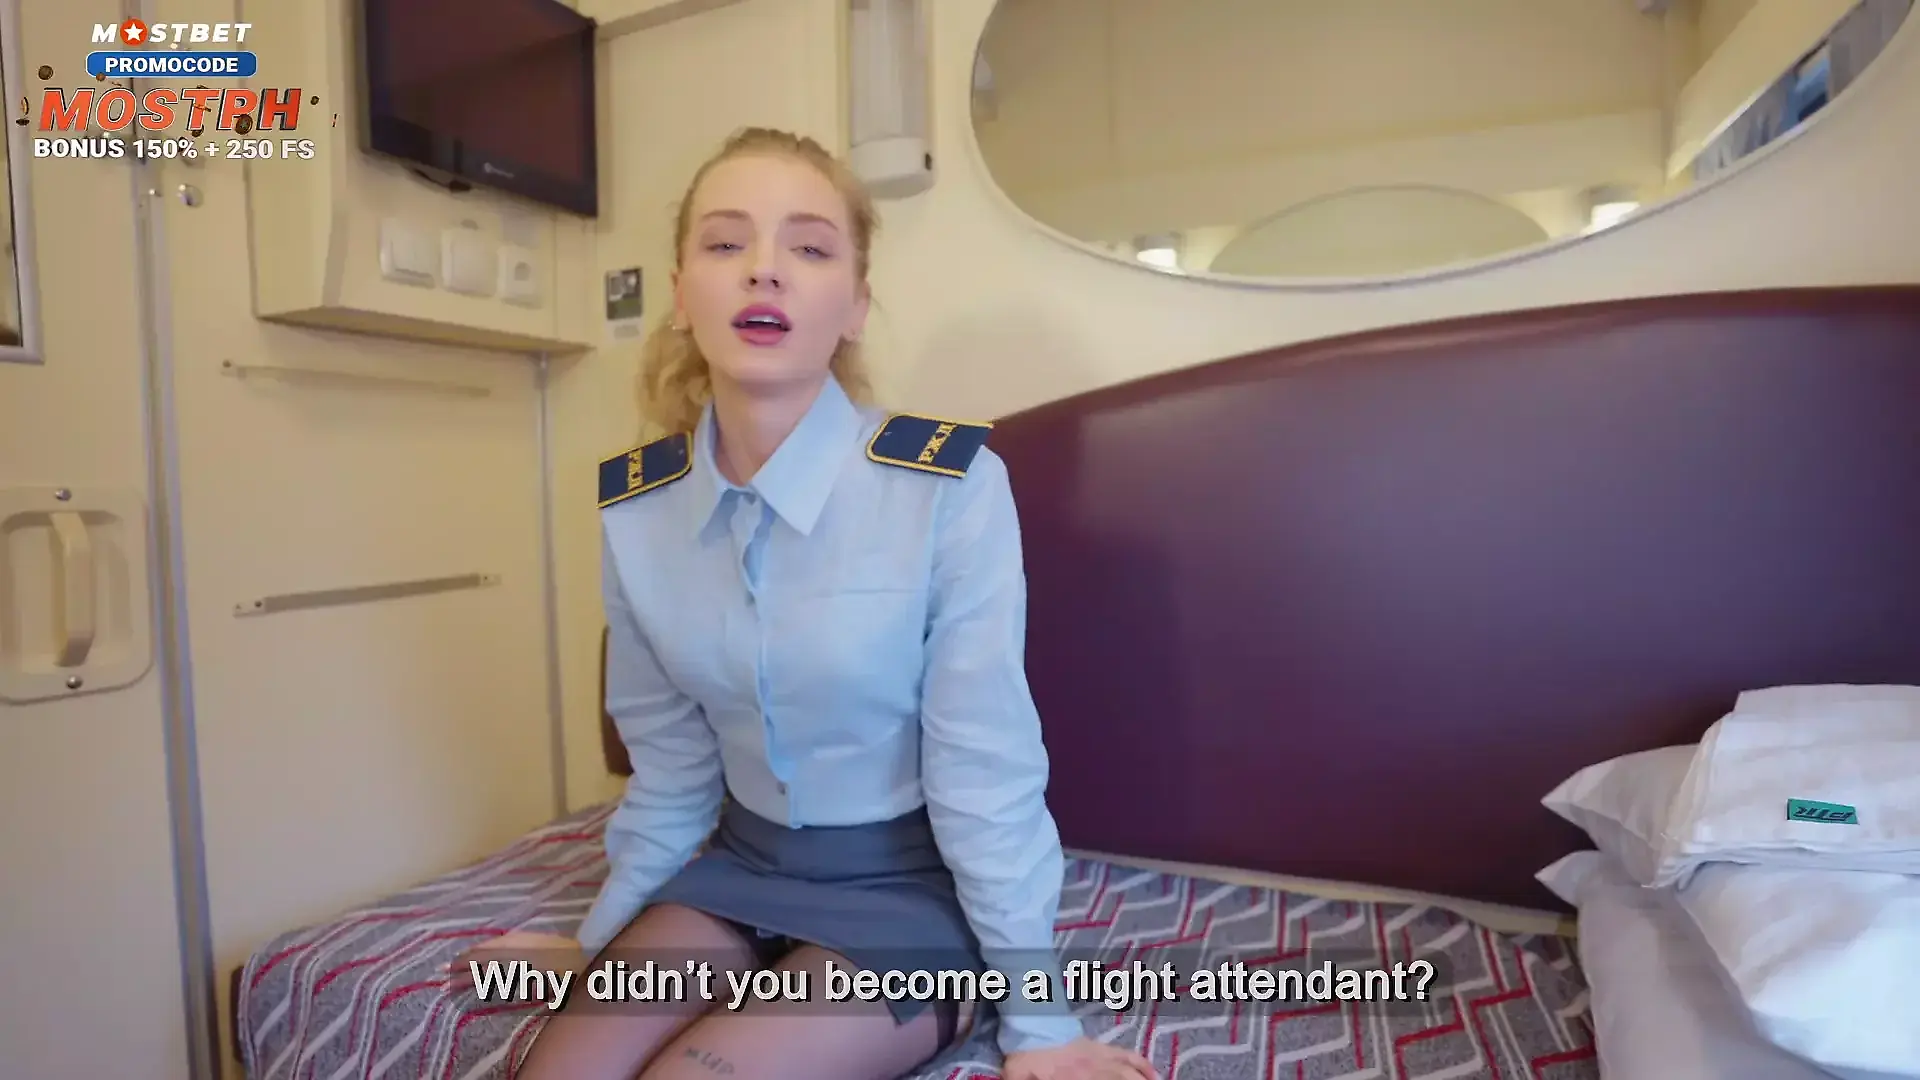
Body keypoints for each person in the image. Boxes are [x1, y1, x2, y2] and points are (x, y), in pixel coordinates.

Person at [451, 127, 1157, 1080]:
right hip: (742, 868)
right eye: (726, 242)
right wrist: (598, 943)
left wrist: (1041, 1026)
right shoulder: (638, 508)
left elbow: (983, 768)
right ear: (681, 293)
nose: (765, 270)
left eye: (811, 247)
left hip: (912, 889)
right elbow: (671, 769)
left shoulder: (946, 488)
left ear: (856, 304)